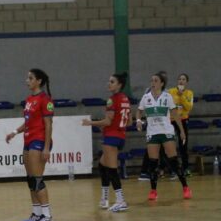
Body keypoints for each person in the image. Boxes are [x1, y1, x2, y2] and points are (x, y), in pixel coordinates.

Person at [5, 69, 55, 221]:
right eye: (27, 78)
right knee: (31, 180)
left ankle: (47, 217)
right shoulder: (29, 99)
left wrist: (46, 148)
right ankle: (36, 214)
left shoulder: (45, 99)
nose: (27, 80)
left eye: (30, 78)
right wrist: (14, 132)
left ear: (38, 81)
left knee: (37, 179)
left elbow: (48, 125)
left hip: (39, 141)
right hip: (28, 140)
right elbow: (28, 121)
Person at [136, 71, 192, 201]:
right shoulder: (146, 97)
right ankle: (153, 191)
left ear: (161, 83)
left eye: (155, 81)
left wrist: (182, 130)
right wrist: (138, 121)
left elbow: (176, 115)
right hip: (152, 133)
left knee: (173, 160)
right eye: (151, 81)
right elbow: (138, 111)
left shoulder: (167, 97)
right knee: (153, 163)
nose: (153, 83)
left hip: (166, 131)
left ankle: (185, 187)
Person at [82, 72, 131, 212]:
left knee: (112, 169)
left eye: (112, 82)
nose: (108, 84)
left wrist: (90, 123)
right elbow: (129, 121)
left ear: (119, 85)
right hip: (120, 136)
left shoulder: (112, 99)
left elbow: (108, 121)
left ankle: (121, 200)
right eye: (109, 81)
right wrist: (113, 125)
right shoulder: (125, 99)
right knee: (102, 165)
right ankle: (104, 198)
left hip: (111, 137)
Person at [167, 73, 193, 175]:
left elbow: (189, 107)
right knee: (169, 145)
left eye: (183, 79)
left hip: (183, 120)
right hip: (172, 120)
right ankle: (172, 169)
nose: (181, 81)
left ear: (186, 82)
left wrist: (182, 96)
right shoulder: (170, 92)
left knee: (183, 145)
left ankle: (185, 168)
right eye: (179, 79)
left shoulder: (189, 93)